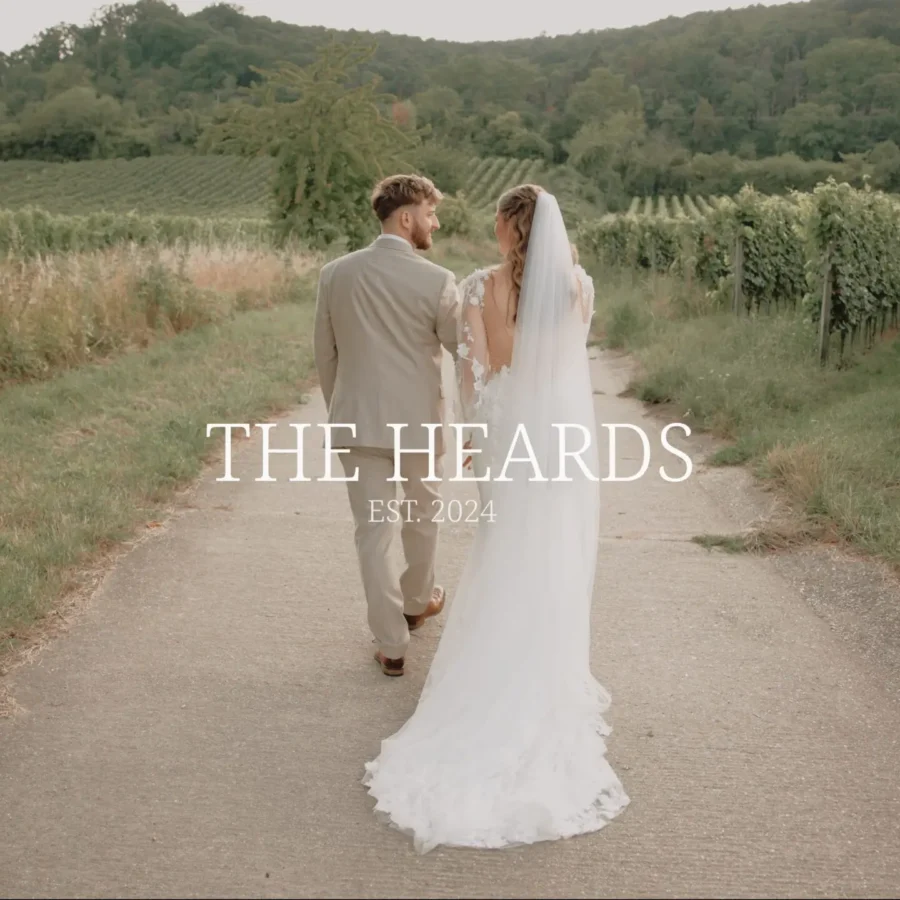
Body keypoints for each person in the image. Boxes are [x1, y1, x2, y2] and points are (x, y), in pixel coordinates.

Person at [362, 184, 631, 853]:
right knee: (552, 554)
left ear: (513, 227)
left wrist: (478, 436)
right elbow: (567, 363)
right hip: (560, 441)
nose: (490, 225)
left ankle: (493, 673)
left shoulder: (482, 287)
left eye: (498, 219)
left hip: (510, 440)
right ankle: (544, 668)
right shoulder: (579, 287)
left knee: (504, 548)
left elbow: (482, 373)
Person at [313, 174, 460, 676]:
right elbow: (463, 348)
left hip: (357, 424)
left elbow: (325, 355)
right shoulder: (438, 280)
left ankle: (392, 645)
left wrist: (344, 411)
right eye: (429, 213)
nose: (434, 223)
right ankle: (417, 601)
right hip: (417, 424)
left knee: (372, 533)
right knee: (422, 517)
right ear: (406, 216)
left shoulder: (335, 274)